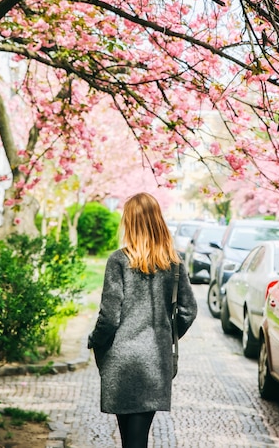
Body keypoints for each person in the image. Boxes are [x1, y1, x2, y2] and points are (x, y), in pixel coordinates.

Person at [88, 192, 198, 448]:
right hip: (154, 362)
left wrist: (95, 340)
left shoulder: (118, 261)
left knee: (130, 439)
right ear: (157, 221)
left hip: (121, 361)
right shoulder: (173, 262)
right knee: (137, 439)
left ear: (130, 222)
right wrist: (164, 335)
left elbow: (109, 317)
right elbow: (188, 310)